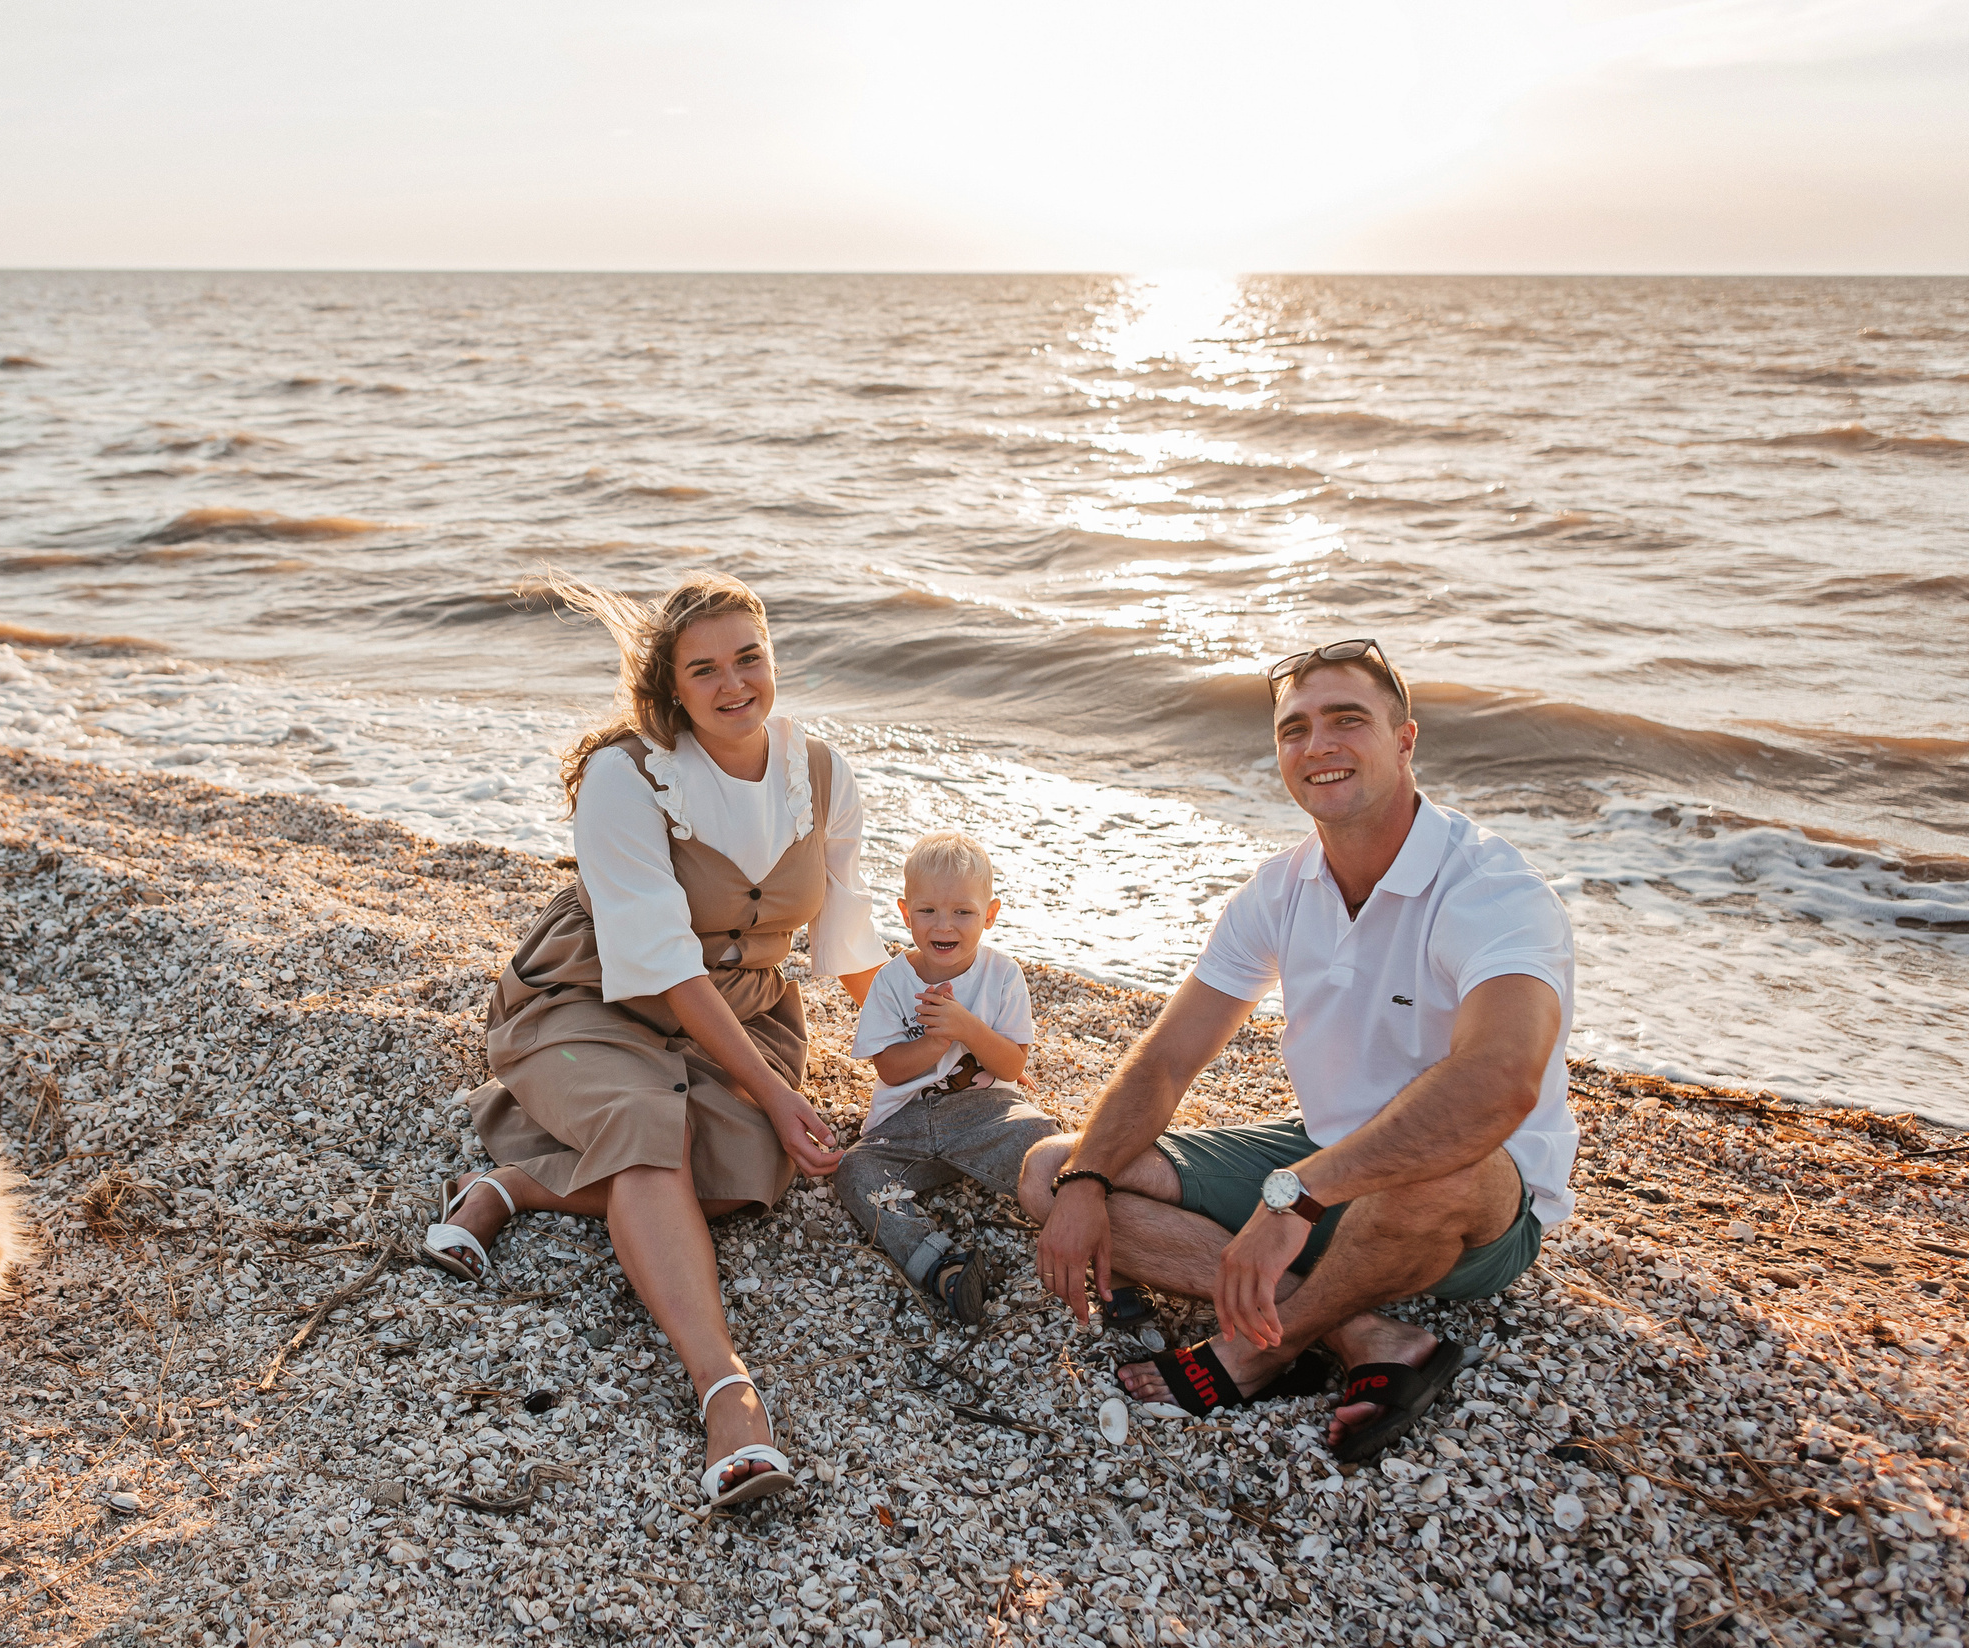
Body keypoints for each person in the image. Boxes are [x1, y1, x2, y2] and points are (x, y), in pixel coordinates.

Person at [1021, 639, 1577, 1462]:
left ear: (1405, 739)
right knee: (1052, 1167)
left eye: (1347, 720)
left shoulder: (1492, 890)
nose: (1318, 745)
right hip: (1318, 1161)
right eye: (1295, 729)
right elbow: (1171, 1055)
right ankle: (1360, 1333)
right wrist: (1087, 1181)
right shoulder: (1283, 887)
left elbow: (1499, 1083)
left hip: (1476, 1207)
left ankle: (1263, 1346)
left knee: (1447, 1167)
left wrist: (1294, 1200)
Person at [419, 571, 887, 1509]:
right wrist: (772, 1088)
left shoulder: (823, 772)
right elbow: (663, 965)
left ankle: (514, 1183)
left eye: (749, 657)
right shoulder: (623, 776)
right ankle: (727, 1392)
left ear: (773, 657)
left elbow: (849, 946)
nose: (734, 684)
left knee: (749, 1171)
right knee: (647, 1127)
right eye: (704, 668)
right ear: (672, 687)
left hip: (745, 1012)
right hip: (594, 996)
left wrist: (916, 1069)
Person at [832, 831, 1051, 1327]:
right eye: (927, 911)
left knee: (1046, 1139)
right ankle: (942, 1267)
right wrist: (936, 1041)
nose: (944, 925)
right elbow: (889, 1068)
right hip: (904, 1122)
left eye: (963, 912)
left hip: (983, 1114)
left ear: (990, 915)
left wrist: (967, 1027)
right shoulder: (891, 979)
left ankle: (1094, 1231)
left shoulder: (1002, 975)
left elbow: (1013, 1066)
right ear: (905, 913)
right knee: (854, 1172)